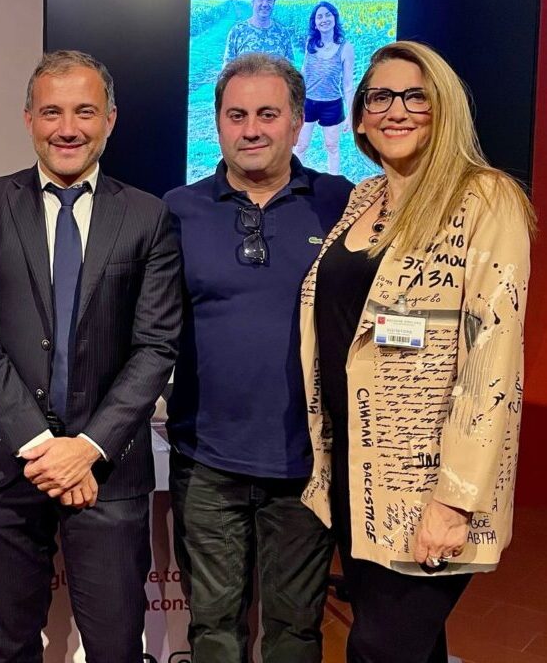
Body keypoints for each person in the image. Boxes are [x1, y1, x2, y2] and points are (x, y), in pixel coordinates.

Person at [0, 50, 182, 663]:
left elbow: (156, 345)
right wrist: (42, 445)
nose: (67, 128)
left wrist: (87, 448)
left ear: (110, 120)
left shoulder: (148, 215)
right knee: (11, 645)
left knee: (115, 647)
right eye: (52, 112)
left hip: (108, 467)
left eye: (84, 112)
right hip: (5, 465)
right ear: (29, 119)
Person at [300, 41, 534, 663]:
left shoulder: (486, 198)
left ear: (445, 108)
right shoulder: (364, 197)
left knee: (379, 648)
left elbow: (492, 361)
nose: (395, 110)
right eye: (380, 96)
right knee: (412, 646)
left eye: (415, 97)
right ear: (359, 115)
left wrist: (454, 499)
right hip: (358, 469)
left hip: (429, 480)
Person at [165, 53, 352, 663]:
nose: (251, 129)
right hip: (206, 463)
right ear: (217, 123)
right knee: (213, 630)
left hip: (306, 465)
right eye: (236, 115)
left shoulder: (343, 204)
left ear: (297, 122)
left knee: (296, 632)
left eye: (268, 114)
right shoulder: (177, 210)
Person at [294, 2, 356, 174]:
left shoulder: (346, 48)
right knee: (300, 145)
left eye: (328, 15)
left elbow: (348, 85)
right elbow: (304, 71)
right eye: (319, 17)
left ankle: (333, 181)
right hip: (308, 102)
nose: (324, 20)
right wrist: (296, 99)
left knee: (332, 146)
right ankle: (295, 180)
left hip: (332, 105)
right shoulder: (310, 43)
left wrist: (350, 114)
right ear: (315, 23)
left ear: (335, 18)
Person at [223, 0, 295, 65]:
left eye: (269, 0)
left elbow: (290, 68)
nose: (265, 4)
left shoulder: (283, 34)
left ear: (274, 3)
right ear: (252, 1)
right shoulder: (237, 31)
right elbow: (228, 68)